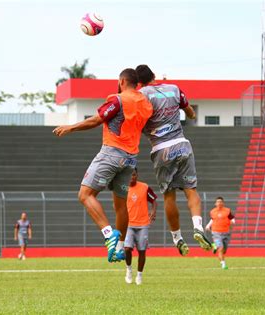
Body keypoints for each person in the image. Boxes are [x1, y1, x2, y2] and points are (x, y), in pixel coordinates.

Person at [53, 68, 153, 263]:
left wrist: (70, 127)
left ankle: (109, 235)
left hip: (112, 153)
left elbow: (97, 119)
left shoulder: (118, 99)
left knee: (85, 194)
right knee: (121, 205)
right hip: (131, 159)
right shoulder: (145, 104)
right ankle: (119, 248)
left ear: (122, 81)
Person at [135, 64, 214, 256]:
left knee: (169, 196)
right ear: (153, 75)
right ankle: (198, 227)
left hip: (161, 149)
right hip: (182, 144)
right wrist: (189, 114)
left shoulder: (140, 95)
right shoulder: (174, 89)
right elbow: (190, 112)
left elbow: (136, 121)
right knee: (191, 191)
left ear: (139, 82)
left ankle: (177, 238)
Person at [124, 168, 157, 285]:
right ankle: (128, 269)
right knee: (127, 248)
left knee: (142, 250)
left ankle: (139, 275)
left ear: (137, 175)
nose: (132, 177)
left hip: (143, 224)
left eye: (134, 175)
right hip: (128, 224)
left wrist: (153, 211)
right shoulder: (123, 188)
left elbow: (153, 200)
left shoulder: (144, 187)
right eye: (130, 175)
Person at [205, 197, 235, 269]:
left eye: (221, 202)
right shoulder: (212, 211)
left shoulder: (227, 211)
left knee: (224, 250)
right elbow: (212, 219)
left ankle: (214, 245)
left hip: (226, 232)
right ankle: (223, 264)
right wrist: (208, 226)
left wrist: (232, 223)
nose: (219, 203)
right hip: (216, 232)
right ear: (215, 203)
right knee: (220, 249)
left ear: (223, 203)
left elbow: (232, 219)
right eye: (218, 202)